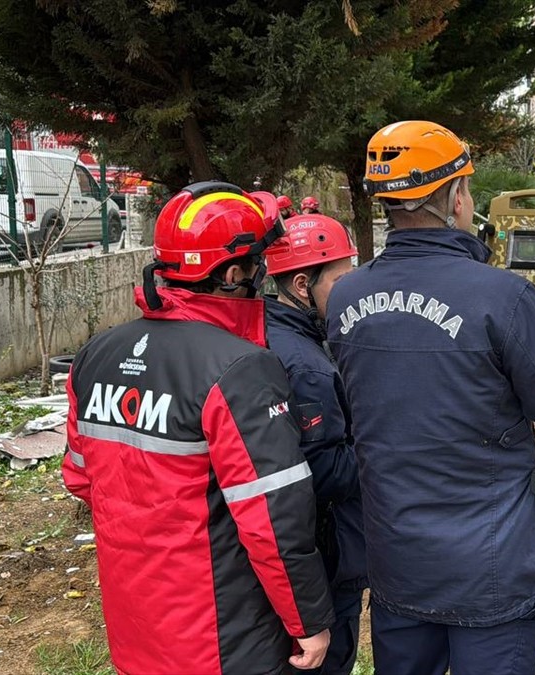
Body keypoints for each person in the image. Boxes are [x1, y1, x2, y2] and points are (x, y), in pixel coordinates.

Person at [325, 120, 535, 675]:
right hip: (492, 576)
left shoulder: (346, 297)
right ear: (455, 197)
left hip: (399, 567)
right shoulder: (503, 297)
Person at [62, 182, 334, 674]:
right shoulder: (240, 370)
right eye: (258, 267)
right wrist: (309, 620)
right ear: (233, 274)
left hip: (137, 622)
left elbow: (81, 478)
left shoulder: (95, 356)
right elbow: (274, 521)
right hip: (224, 635)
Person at [264, 214, 367, 675]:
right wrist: (381, 446)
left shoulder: (266, 330)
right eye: (343, 281)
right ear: (303, 285)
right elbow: (322, 472)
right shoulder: (308, 367)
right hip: (324, 562)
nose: (353, 292)